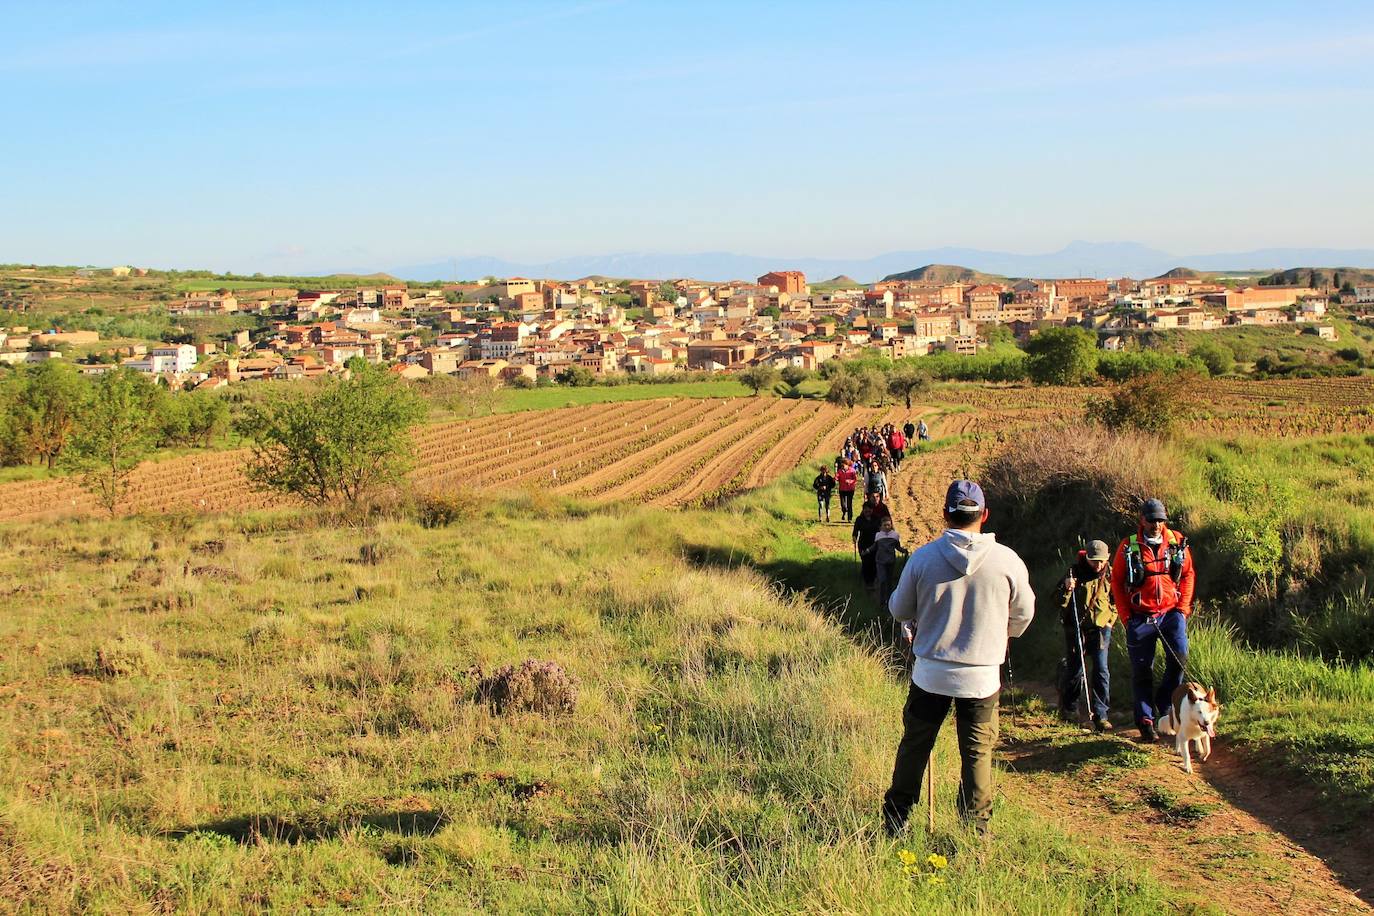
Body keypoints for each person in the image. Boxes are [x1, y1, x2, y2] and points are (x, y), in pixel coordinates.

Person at [882, 480, 1034, 836]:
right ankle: (976, 834)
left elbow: (900, 608)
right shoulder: (1007, 561)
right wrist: (1002, 633)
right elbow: (1024, 615)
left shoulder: (924, 558)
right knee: (977, 754)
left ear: (945, 515)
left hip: (931, 673)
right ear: (984, 515)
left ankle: (895, 820)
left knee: (915, 746)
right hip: (982, 676)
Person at [1111, 498, 1195, 742]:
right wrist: (1126, 617)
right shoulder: (1129, 546)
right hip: (1140, 617)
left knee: (1180, 657)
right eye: (1152, 520)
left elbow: (1188, 574)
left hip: (1171, 614)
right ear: (1142, 520)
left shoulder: (1177, 542)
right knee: (1141, 670)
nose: (1156, 525)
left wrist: (1182, 609)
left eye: (1160, 520)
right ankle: (1145, 720)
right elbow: (1116, 581)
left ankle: (1165, 702)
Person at [1055, 539, 1116, 731]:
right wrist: (1066, 588)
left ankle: (1101, 714)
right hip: (1076, 628)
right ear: (1086, 558)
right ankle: (1070, 710)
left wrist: (1110, 619)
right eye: (1093, 561)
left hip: (1101, 629)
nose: (1097, 565)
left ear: (1107, 558)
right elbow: (1057, 601)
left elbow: (1117, 599)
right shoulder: (1073, 573)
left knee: (1101, 670)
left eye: (1101, 561)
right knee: (1075, 670)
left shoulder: (1111, 574)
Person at [864, 516, 909, 610]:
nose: (887, 527)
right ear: (881, 526)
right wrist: (867, 551)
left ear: (891, 525)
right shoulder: (879, 535)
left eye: (889, 525)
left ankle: (889, 601)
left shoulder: (894, 536)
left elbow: (898, 547)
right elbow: (874, 547)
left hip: (890, 561)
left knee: (889, 582)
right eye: (885, 525)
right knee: (882, 580)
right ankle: (881, 601)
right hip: (880, 561)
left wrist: (904, 551)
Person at [852, 500, 885, 589]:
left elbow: (882, 530)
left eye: (869, 510)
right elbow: (855, 531)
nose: (867, 512)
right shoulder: (859, 519)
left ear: (872, 510)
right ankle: (867, 582)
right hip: (863, 544)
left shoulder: (877, 518)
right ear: (863, 510)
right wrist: (854, 537)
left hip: (874, 544)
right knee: (866, 562)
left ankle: (872, 580)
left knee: (874, 562)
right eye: (865, 510)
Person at [836, 458, 858, 522]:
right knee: (843, 505)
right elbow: (837, 477)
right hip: (842, 489)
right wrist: (835, 478)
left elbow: (855, 479)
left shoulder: (852, 471)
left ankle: (850, 518)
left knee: (849, 504)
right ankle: (844, 511)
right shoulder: (839, 471)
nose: (842, 466)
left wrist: (850, 481)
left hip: (850, 489)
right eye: (842, 465)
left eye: (844, 465)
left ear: (847, 465)